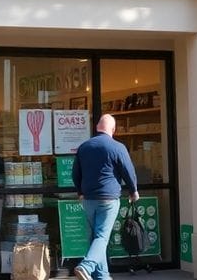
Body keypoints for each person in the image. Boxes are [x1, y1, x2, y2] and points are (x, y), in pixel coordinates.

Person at [72, 114, 139, 280]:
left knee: (96, 238)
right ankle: (86, 266)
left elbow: (75, 173)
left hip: (88, 200)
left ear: (96, 127)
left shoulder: (84, 147)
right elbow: (128, 171)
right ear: (113, 129)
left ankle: (102, 276)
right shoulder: (117, 147)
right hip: (109, 199)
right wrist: (133, 190)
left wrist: (80, 192)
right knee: (102, 237)